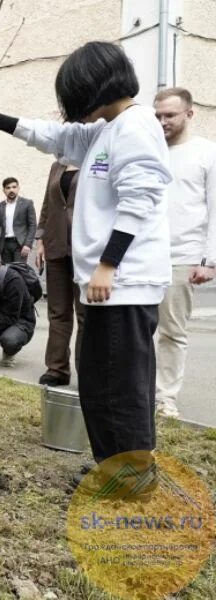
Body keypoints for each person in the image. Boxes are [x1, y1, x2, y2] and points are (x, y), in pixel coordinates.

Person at [0, 41, 171, 477]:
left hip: (122, 284)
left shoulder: (136, 128)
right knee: (97, 382)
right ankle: (110, 466)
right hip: (102, 284)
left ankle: (132, 477)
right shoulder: (105, 129)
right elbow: (54, 136)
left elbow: (140, 201)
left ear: (95, 86)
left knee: (121, 386)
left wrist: (108, 265)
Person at [153, 87, 216, 418]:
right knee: (136, 330)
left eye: (169, 115)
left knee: (173, 332)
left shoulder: (207, 153)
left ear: (189, 114)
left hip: (183, 255)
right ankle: (137, 391)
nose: (162, 121)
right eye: (158, 115)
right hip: (143, 256)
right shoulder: (151, 151)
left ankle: (166, 398)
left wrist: (209, 260)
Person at [34, 161, 84, 386]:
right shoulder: (56, 166)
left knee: (86, 315)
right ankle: (57, 368)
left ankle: (87, 371)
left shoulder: (95, 161)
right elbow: (48, 205)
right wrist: (41, 240)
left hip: (84, 248)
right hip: (56, 247)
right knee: (58, 313)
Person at [0, 177, 37, 264]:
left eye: (14, 187)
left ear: (18, 188)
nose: (11, 190)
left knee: (19, 272)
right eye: (8, 188)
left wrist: (28, 244)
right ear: (4, 190)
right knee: (6, 272)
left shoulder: (27, 204)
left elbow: (33, 225)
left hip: (20, 244)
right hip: (4, 245)